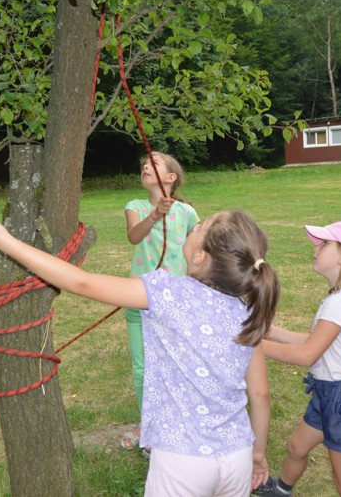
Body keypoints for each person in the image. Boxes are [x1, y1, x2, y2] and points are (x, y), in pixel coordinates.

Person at [0, 210, 279, 496]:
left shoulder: (166, 292)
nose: (193, 228)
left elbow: (83, 282)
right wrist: (258, 454)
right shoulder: (248, 312)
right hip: (237, 455)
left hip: (182, 459)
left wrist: (5, 242)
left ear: (199, 256)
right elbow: (261, 394)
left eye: (199, 228)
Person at [253, 221, 341, 497]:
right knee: (296, 447)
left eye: (324, 243)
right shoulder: (340, 298)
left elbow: (307, 354)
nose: (316, 247)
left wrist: (256, 346)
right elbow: (315, 343)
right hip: (329, 393)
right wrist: (272, 332)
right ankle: (282, 490)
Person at [122, 152, 199, 455]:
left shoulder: (186, 213)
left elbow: (197, 249)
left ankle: (179, 417)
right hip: (138, 297)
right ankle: (147, 424)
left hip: (176, 300)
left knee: (176, 362)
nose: (144, 165)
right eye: (143, 162)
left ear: (171, 178)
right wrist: (154, 215)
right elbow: (133, 235)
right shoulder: (135, 206)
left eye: (153, 163)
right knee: (143, 368)